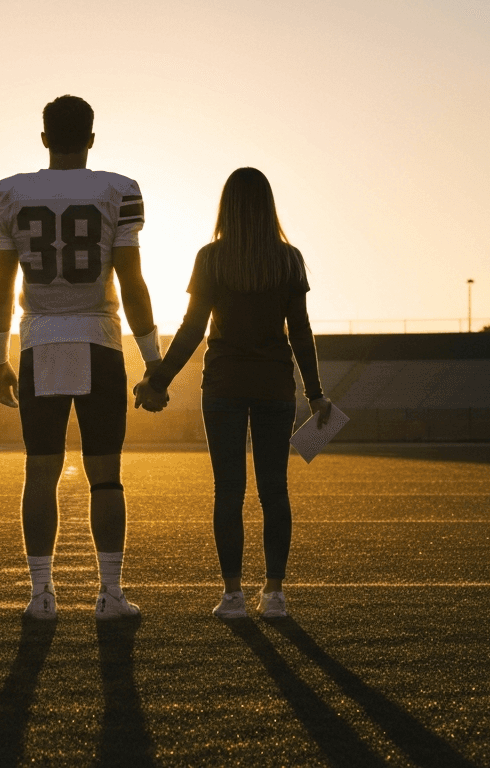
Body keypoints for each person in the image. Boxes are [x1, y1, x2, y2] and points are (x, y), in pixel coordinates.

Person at [0, 95, 165, 622]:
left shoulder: (9, 193)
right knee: (105, 475)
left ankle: (41, 596)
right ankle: (109, 594)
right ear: (91, 138)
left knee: (39, 473)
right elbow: (131, 280)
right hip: (99, 340)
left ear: (44, 138)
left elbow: (1, 285)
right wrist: (153, 357)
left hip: (40, 340)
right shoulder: (119, 190)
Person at [134, 167, 332, 620]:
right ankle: (276, 593)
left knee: (229, 490)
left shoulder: (211, 258)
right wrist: (316, 393)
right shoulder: (288, 259)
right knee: (273, 490)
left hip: (223, 384)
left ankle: (232, 596)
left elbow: (191, 330)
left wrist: (157, 380)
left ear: (226, 205)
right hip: (274, 386)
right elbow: (300, 331)